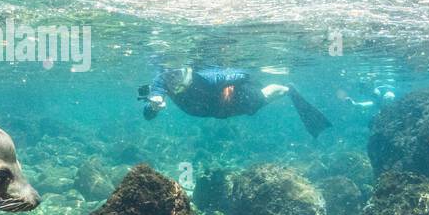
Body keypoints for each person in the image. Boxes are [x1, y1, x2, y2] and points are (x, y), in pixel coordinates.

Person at [137, 65, 332, 137]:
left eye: (178, 73)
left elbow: (243, 74)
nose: (173, 78)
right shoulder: (162, 81)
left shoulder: (208, 78)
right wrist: (153, 106)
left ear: (187, 72)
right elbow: (148, 114)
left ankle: (289, 90)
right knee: (259, 99)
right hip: (219, 111)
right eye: (169, 76)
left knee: (262, 97)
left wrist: (243, 83)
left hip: (234, 101)